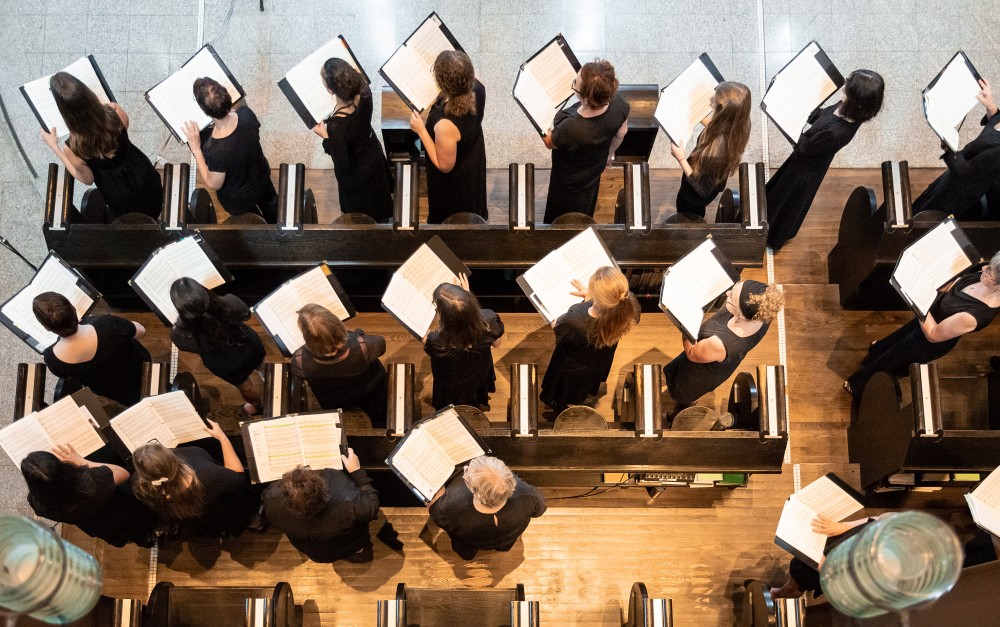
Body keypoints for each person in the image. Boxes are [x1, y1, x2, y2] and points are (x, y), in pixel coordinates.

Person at [845, 252, 1000, 399]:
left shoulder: (975, 315)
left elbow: (933, 334)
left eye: (989, 272)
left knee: (892, 360)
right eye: (988, 266)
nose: (983, 268)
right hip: (929, 315)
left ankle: (859, 385)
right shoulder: (983, 277)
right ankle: (877, 352)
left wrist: (917, 299)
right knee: (897, 340)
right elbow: (953, 287)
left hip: (927, 341)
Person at [766, 70, 885, 250]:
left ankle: (772, 234)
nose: (843, 85)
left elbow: (804, 147)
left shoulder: (835, 132)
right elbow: (822, 116)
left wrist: (787, 120)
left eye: (848, 86)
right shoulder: (848, 107)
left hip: (804, 172)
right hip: (804, 159)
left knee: (786, 199)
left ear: (856, 100)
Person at [40, 72, 162, 219]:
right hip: (142, 172)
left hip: (117, 191)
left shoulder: (73, 147)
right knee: (152, 198)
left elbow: (87, 179)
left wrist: (55, 147)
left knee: (130, 214)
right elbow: (126, 124)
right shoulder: (114, 111)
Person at [663, 280, 784, 408]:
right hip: (709, 356)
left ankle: (676, 414)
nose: (728, 293)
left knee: (683, 393)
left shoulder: (720, 344)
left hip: (697, 373)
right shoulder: (762, 310)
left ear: (742, 314)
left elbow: (692, 353)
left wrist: (683, 321)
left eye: (732, 296)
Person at [131, 421, 258, 538]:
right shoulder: (207, 473)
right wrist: (222, 438)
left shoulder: (138, 485)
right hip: (220, 511)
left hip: (191, 520)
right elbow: (237, 477)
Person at [540, 266, 640, 413]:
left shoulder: (576, 319)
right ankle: (573, 402)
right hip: (598, 361)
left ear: (599, 299)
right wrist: (593, 297)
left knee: (564, 390)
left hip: (572, 365)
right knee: (580, 388)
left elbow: (557, 327)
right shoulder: (628, 306)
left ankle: (560, 407)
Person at [542, 59, 629, 223]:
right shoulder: (619, 104)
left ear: (587, 99)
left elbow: (549, 142)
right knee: (586, 204)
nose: (574, 82)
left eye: (575, 83)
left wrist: (540, 122)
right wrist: (608, 154)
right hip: (594, 167)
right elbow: (622, 132)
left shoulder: (572, 128)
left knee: (562, 216)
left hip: (567, 180)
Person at [182, 77, 279, 222]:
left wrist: (196, 149)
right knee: (273, 208)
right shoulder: (246, 114)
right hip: (261, 179)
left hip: (239, 198)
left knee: (253, 220)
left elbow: (213, 183)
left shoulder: (215, 149)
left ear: (206, 112)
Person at [22, 444, 157, 548]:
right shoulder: (92, 484)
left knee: (131, 532)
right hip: (128, 510)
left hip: (101, 525)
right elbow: (123, 473)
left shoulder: (39, 505)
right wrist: (80, 461)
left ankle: (146, 538)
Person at [409, 51, 487, 223]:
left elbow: (444, 165)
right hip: (472, 156)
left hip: (456, 180)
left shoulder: (446, 124)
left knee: (455, 219)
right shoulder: (478, 88)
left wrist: (421, 131)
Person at [262, 449, 380, 563]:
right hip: (349, 546)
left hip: (314, 552)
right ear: (323, 490)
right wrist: (357, 471)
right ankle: (357, 551)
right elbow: (372, 507)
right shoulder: (348, 504)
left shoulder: (272, 503)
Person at [33, 292, 150, 406]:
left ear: (46, 328)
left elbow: (66, 375)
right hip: (142, 367)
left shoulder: (51, 358)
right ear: (73, 309)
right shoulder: (107, 324)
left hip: (114, 390)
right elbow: (141, 331)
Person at [313, 58, 393, 222]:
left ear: (330, 90)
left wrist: (326, 138)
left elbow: (343, 167)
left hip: (357, 178)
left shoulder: (336, 127)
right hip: (373, 158)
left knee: (362, 219)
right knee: (380, 209)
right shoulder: (365, 94)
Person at [169, 278, 265, 415]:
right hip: (248, 343)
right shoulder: (229, 302)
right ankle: (269, 378)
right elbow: (246, 314)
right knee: (262, 365)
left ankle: (257, 406)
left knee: (246, 387)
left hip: (227, 364)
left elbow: (187, 347)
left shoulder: (180, 335)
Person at [912, 78, 1000, 219]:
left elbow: (963, 173)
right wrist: (991, 106)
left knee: (925, 221)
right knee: (922, 205)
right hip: (954, 181)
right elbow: (996, 123)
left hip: (961, 196)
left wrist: (947, 144)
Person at [429, 455, 546, 560]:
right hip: (509, 536)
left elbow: (435, 512)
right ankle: (503, 548)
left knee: (466, 551)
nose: (465, 469)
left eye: (466, 474)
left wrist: (439, 487)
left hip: (470, 542)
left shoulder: (451, 508)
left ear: (478, 494)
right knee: (505, 545)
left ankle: (468, 557)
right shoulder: (528, 495)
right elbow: (539, 511)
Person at [290, 304, 388, 427]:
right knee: (379, 414)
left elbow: (298, 376)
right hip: (371, 392)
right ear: (338, 326)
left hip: (333, 400)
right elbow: (382, 346)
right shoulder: (364, 346)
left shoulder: (299, 361)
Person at [670, 82, 751, 218]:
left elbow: (701, 189)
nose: (710, 99)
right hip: (712, 179)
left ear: (722, 111)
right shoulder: (740, 125)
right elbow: (719, 128)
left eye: (715, 98)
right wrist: (697, 116)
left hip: (695, 192)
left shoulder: (716, 151)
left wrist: (681, 158)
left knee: (688, 213)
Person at [424, 275, 504, 410]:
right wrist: (465, 299)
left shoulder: (436, 341)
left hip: (450, 382)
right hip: (478, 373)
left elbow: (429, 344)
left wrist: (425, 335)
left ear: (443, 316)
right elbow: (497, 344)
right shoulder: (488, 320)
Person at [762, 514, 878, 599]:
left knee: (802, 580)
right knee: (800, 568)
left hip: (837, 566)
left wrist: (823, 564)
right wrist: (841, 526)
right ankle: (775, 592)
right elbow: (876, 519)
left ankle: (774, 594)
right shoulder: (894, 521)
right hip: (838, 544)